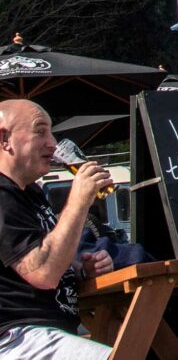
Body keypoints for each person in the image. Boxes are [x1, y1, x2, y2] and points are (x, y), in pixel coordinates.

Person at [0, 99, 113, 359]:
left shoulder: (31, 194)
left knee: (139, 345)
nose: (52, 143)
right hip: (18, 339)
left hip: (48, 332)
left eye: (51, 132)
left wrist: (81, 268)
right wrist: (79, 200)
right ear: (5, 138)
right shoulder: (2, 195)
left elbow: (42, 260)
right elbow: (42, 272)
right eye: (40, 131)